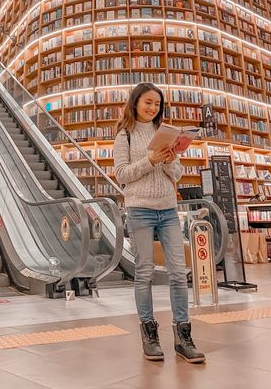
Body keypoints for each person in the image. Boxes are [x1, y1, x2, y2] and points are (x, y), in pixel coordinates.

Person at [113, 82, 205, 364]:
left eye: (157, 104)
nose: (153, 108)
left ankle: (182, 335)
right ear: (136, 103)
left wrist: (168, 159)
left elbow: (177, 175)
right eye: (148, 102)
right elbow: (122, 175)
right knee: (144, 272)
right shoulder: (124, 136)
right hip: (139, 210)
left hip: (167, 210)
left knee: (179, 272)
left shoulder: (163, 133)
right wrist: (151, 160)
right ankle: (149, 333)